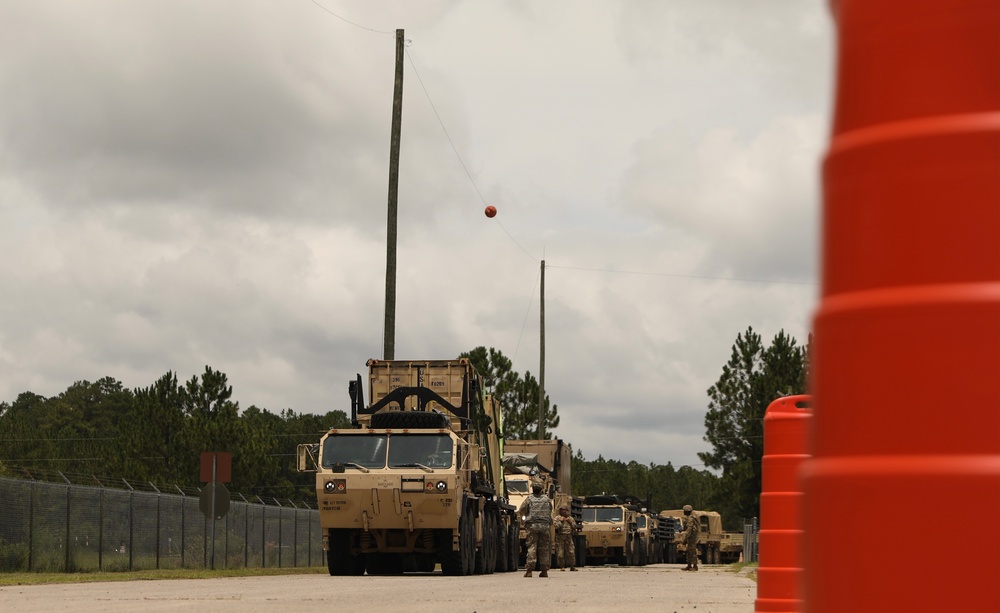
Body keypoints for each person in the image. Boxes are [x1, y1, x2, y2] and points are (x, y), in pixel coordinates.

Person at [517, 482, 553, 577]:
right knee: (544, 548)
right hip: (545, 526)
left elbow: (522, 510)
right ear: (541, 489)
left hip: (532, 526)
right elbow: (550, 510)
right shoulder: (547, 499)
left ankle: (529, 570)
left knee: (532, 546)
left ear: (533, 489)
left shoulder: (529, 499)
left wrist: (526, 517)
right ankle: (544, 570)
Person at [552, 505, 578, 571]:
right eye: (562, 510)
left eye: (565, 510)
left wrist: (571, 522)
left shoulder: (570, 518)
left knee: (571, 552)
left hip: (568, 537)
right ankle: (561, 566)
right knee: (560, 553)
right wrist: (561, 521)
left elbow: (575, 527)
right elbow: (556, 526)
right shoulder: (557, 518)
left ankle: (572, 566)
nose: (564, 511)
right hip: (560, 537)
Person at [680, 504, 699, 571]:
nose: (683, 512)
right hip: (691, 536)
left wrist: (685, 538)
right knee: (689, 551)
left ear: (687, 511)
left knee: (692, 551)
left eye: (684, 510)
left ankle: (695, 566)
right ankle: (689, 565)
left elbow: (689, 529)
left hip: (692, 537)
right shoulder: (688, 518)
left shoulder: (690, 518)